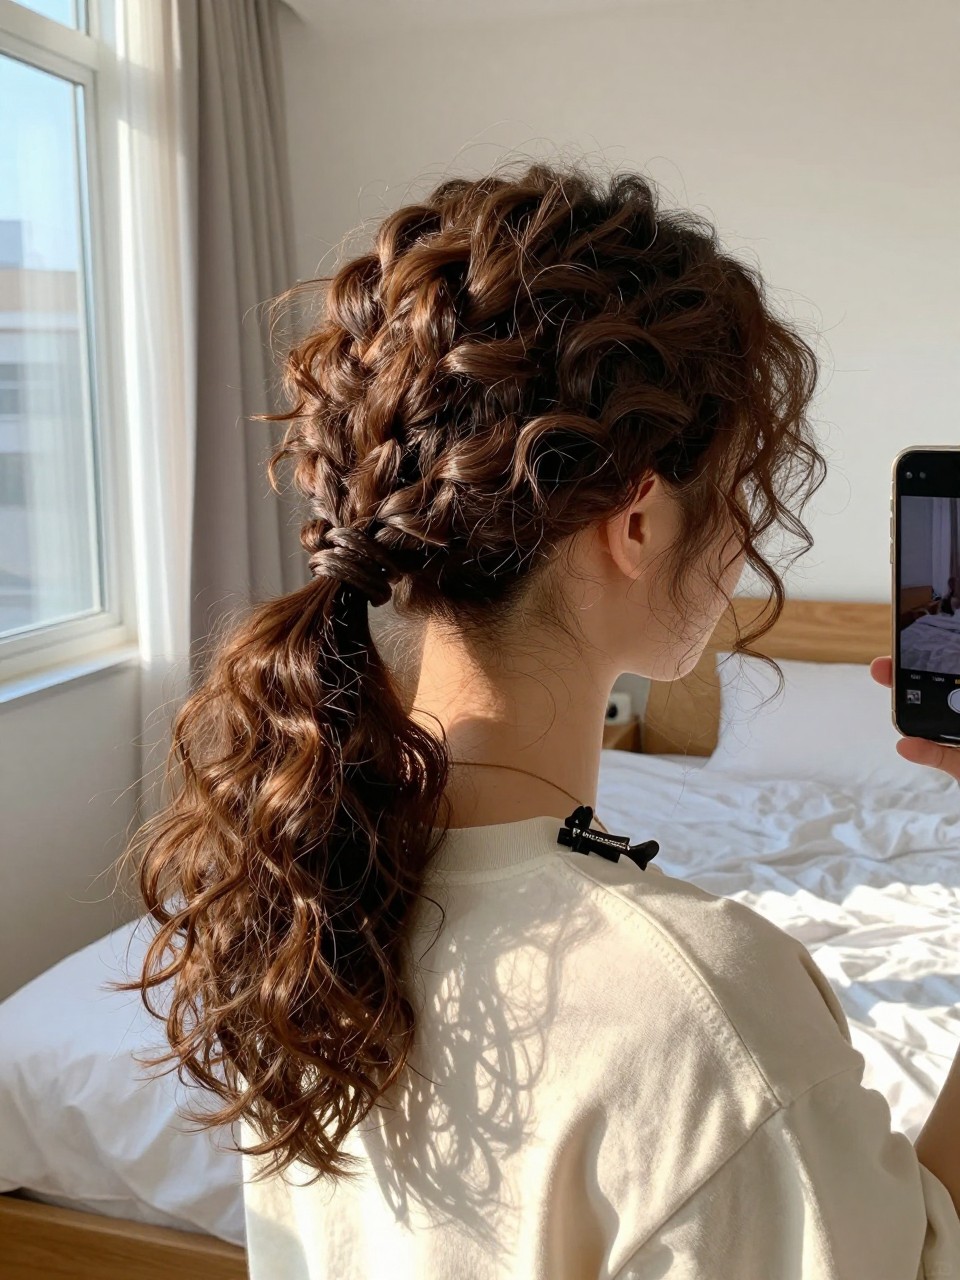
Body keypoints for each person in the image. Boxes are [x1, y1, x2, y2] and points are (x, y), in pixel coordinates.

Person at [113, 161, 960, 1278]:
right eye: (740, 484)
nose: (746, 531)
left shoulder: (295, 899)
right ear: (642, 522)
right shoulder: (710, 1009)